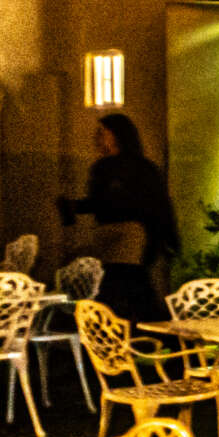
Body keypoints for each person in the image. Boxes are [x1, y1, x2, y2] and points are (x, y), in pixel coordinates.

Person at [59, 113, 180, 322]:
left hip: (129, 234)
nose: (97, 138)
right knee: (126, 282)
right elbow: (100, 202)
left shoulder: (132, 168)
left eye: (102, 133)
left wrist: (167, 236)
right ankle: (141, 326)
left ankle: (132, 325)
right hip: (112, 234)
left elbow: (155, 203)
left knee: (123, 281)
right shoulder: (107, 168)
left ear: (117, 135)